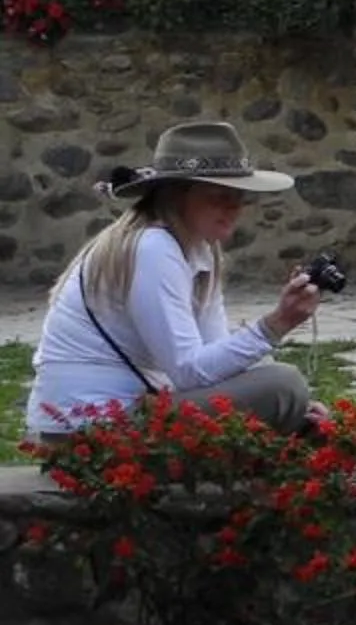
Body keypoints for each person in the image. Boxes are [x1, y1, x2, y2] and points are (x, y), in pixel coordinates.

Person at [26, 121, 325, 440]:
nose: (234, 208)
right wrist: (276, 325)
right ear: (178, 196)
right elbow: (190, 372)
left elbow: (214, 354)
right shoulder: (153, 247)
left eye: (239, 196)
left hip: (121, 416)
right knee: (284, 385)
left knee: (283, 389)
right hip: (87, 432)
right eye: (218, 196)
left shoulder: (197, 249)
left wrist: (291, 400)